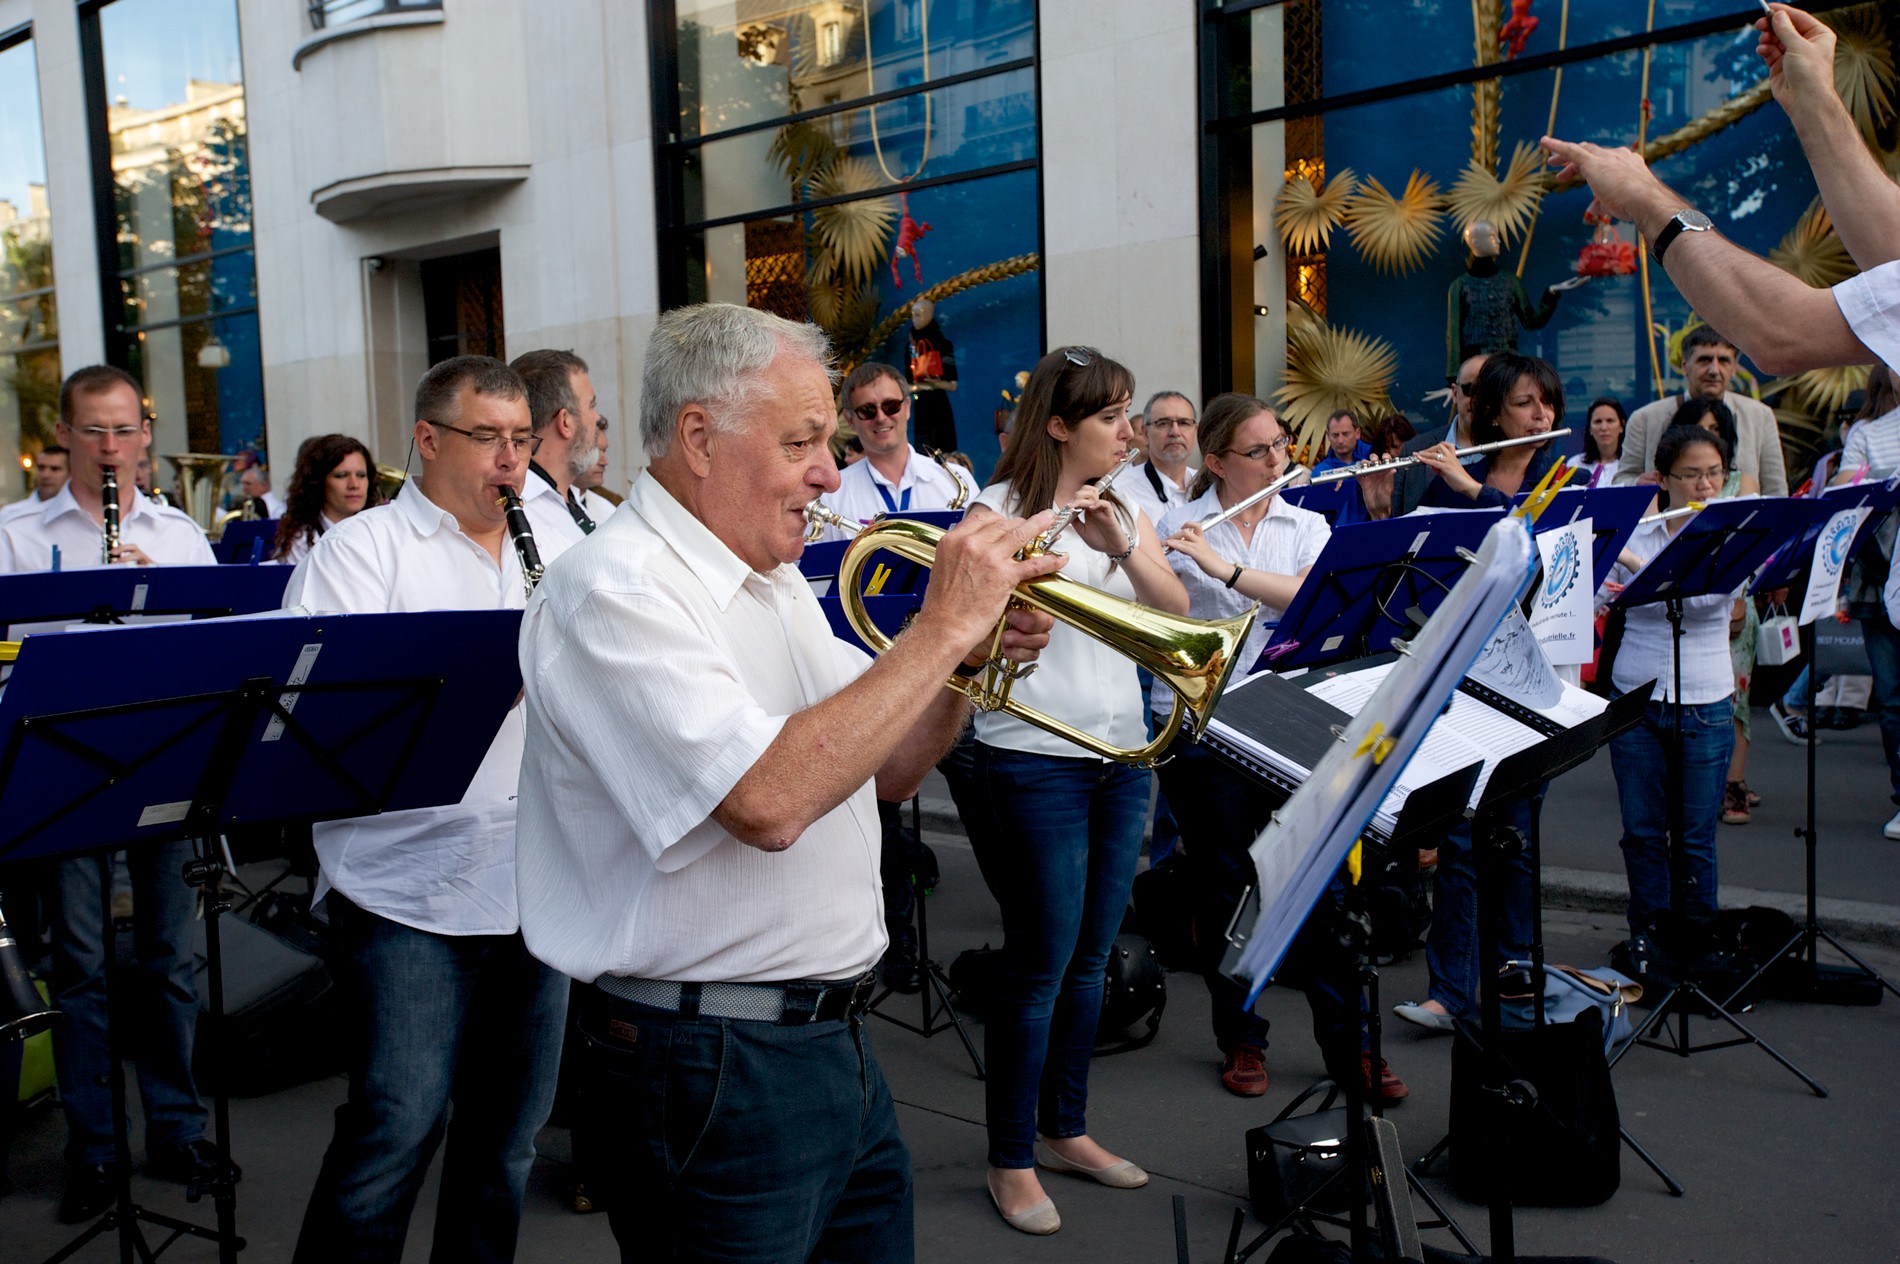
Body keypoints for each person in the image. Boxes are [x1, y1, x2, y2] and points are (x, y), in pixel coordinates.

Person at [513, 303, 1058, 1261]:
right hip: (713, 1063)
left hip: (829, 1039)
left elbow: (886, 769)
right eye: (802, 440)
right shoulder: (613, 588)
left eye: (831, 440)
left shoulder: (770, 578)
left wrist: (964, 668)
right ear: (699, 439)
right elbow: (766, 802)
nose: (829, 471)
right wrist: (938, 632)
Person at [285, 356, 568, 1264]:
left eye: (521, 439)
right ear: (429, 440)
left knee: (505, 1148)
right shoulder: (359, 554)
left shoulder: (559, 538)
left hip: (540, 885)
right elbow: (322, 727)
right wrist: (479, 690)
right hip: (410, 891)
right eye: (487, 438)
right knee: (392, 1136)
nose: (510, 461)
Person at [964, 345, 1188, 1235]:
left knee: (1094, 959)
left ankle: (1067, 1129)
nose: (1128, 431)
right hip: (1031, 756)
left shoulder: (1125, 509)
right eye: (1110, 416)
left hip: (1120, 754)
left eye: (1130, 412)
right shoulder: (995, 511)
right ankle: (1009, 1158)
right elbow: (968, 630)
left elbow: (1175, 616)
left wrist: (1124, 545)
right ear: (1059, 425)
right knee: (1039, 964)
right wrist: (1045, 542)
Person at [0, 366, 220, 1224]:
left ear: (143, 434)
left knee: (173, 959)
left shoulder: (177, 534)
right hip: (67, 766)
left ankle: (176, 1127)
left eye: (125, 430)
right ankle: (94, 1148)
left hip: (164, 764)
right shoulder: (16, 535)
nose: (110, 449)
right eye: (93, 431)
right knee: (82, 967)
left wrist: (152, 603)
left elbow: (222, 648)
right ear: (64, 435)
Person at [1155, 394, 1407, 1102]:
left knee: (1322, 885)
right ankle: (1241, 1035)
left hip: (1298, 722)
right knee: (1228, 886)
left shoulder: (1307, 522)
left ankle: (1351, 1044)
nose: (1277, 460)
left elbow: (1308, 599)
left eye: (1279, 446)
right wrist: (1195, 555)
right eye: (1258, 452)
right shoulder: (1174, 526)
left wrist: (1228, 572)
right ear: (1216, 463)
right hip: (1213, 729)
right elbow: (1164, 613)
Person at [1602, 425, 1741, 936]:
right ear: (1663, 479)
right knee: (1640, 833)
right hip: (1636, 697)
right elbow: (1599, 601)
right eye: (1692, 475)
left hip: (1705, 699)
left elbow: (1703, 601)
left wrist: (1635, 567)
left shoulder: (1729, 531)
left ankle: (1697, 945)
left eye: (1714, 474)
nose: (1705, 486)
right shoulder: (1637, 526)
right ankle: (1649, 942)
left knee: (1693, 838)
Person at [816, 361, 978, 540]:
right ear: (850, 419)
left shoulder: (956, 480)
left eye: (890, 406)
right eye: (868, 410)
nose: (881, 417)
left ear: (907, 408)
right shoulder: (831, 496)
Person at [1613, 328, 1787, 495]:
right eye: (1704, 360)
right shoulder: (1645, 419)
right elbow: (1620, 481)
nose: (1714, 370)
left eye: (1724, 360)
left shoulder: (1760, 416)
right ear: (1684, 366)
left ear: (1734, 368)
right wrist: (1636, 484)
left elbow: (1775, 491)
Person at [1412, 351, 1567, 510]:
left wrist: (1474, 490)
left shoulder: (1570, 481)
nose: (1541, 414)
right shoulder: (1448, 486)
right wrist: (1384, 509)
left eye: (1548, 402)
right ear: (1493, 413)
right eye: (1524, 403)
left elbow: (1527, 524)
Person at [511, 348, 605, 558]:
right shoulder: (515, 516)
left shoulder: (588, 504)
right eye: (591, 406)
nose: (597, 418)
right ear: (565, 422)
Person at [1394, 353, 1487, 516]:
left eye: (1487, 391)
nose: (1478, 399)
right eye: (1471, 390)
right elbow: (1400, 528)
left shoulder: (1515, 451)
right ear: (1455, 393)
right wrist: (1379, 512)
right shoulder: (1415, 448)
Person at [271, 435, 377, 565]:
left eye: (361, 475)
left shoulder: (381, 531)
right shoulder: (300, 543)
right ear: (318, 482)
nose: (354, 485)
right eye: (341, 476)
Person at [1119, 391, 1199, 528]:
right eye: (1163, 423)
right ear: (1145, 433)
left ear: (1196, 431)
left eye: (1184, 423)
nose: (1175, 432)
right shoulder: (1121, 491)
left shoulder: (1209, 486)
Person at [1568, 396, 1627, 487]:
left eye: (1610, 421)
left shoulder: (1631, 465)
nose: (1603, 428)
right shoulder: (1575, 464)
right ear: (1590, 429)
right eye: (1598, 422)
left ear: (1622, 426)